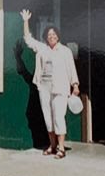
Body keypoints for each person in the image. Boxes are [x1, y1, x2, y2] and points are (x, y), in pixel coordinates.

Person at [20, 9, 80, 159]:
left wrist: (75, 85)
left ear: (58, 36)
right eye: (49, 35)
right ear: (46, 38)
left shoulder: (65, 51)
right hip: (44, 88)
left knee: (59, 116)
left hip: (60, 88)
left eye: (54, 35)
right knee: (48, 117)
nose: (51, 37)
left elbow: (71, 69)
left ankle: (61, 148)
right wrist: (25, 21)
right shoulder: (42, 49)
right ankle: (52, 146)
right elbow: (28, 39)